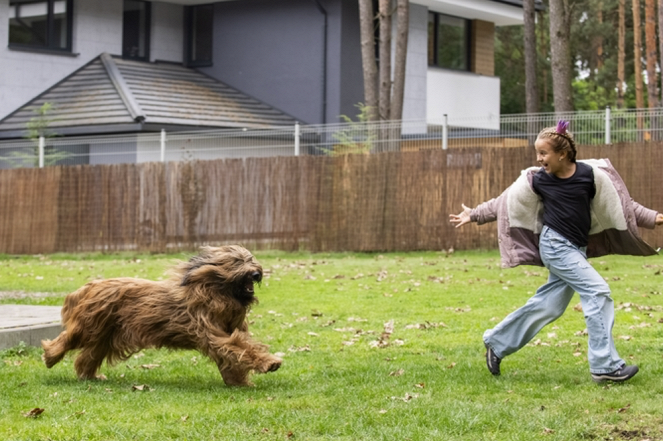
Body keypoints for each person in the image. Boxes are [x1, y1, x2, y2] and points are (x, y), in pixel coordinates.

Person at [449, 121, 663, 383]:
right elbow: (505, 201)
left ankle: (497, 342)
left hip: (576, 248)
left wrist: (655, 218)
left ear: (562, 154)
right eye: (538, 153)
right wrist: (474, 214)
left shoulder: (589, 175)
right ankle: (605, 366)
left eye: (543, 153)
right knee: (597, 292)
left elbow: (622, 204)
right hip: (555, 246)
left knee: (549, 306)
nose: (539, 159)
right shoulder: (538, 179)